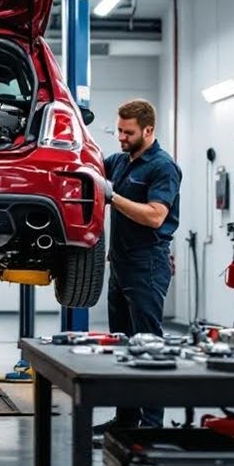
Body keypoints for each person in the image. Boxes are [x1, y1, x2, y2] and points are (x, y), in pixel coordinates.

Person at [96, 99, 182, 430]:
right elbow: (88, 169)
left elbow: (155, 216)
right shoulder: (119, 162)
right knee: (123, 345)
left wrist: (112, 197)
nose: (120, 137)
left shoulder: (162, 166)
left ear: (148, 130)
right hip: (120, 266)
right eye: (118, 130)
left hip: (147, 266)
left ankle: (152, 426)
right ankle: (126, 419)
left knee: (149, 346)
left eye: (127, 132)